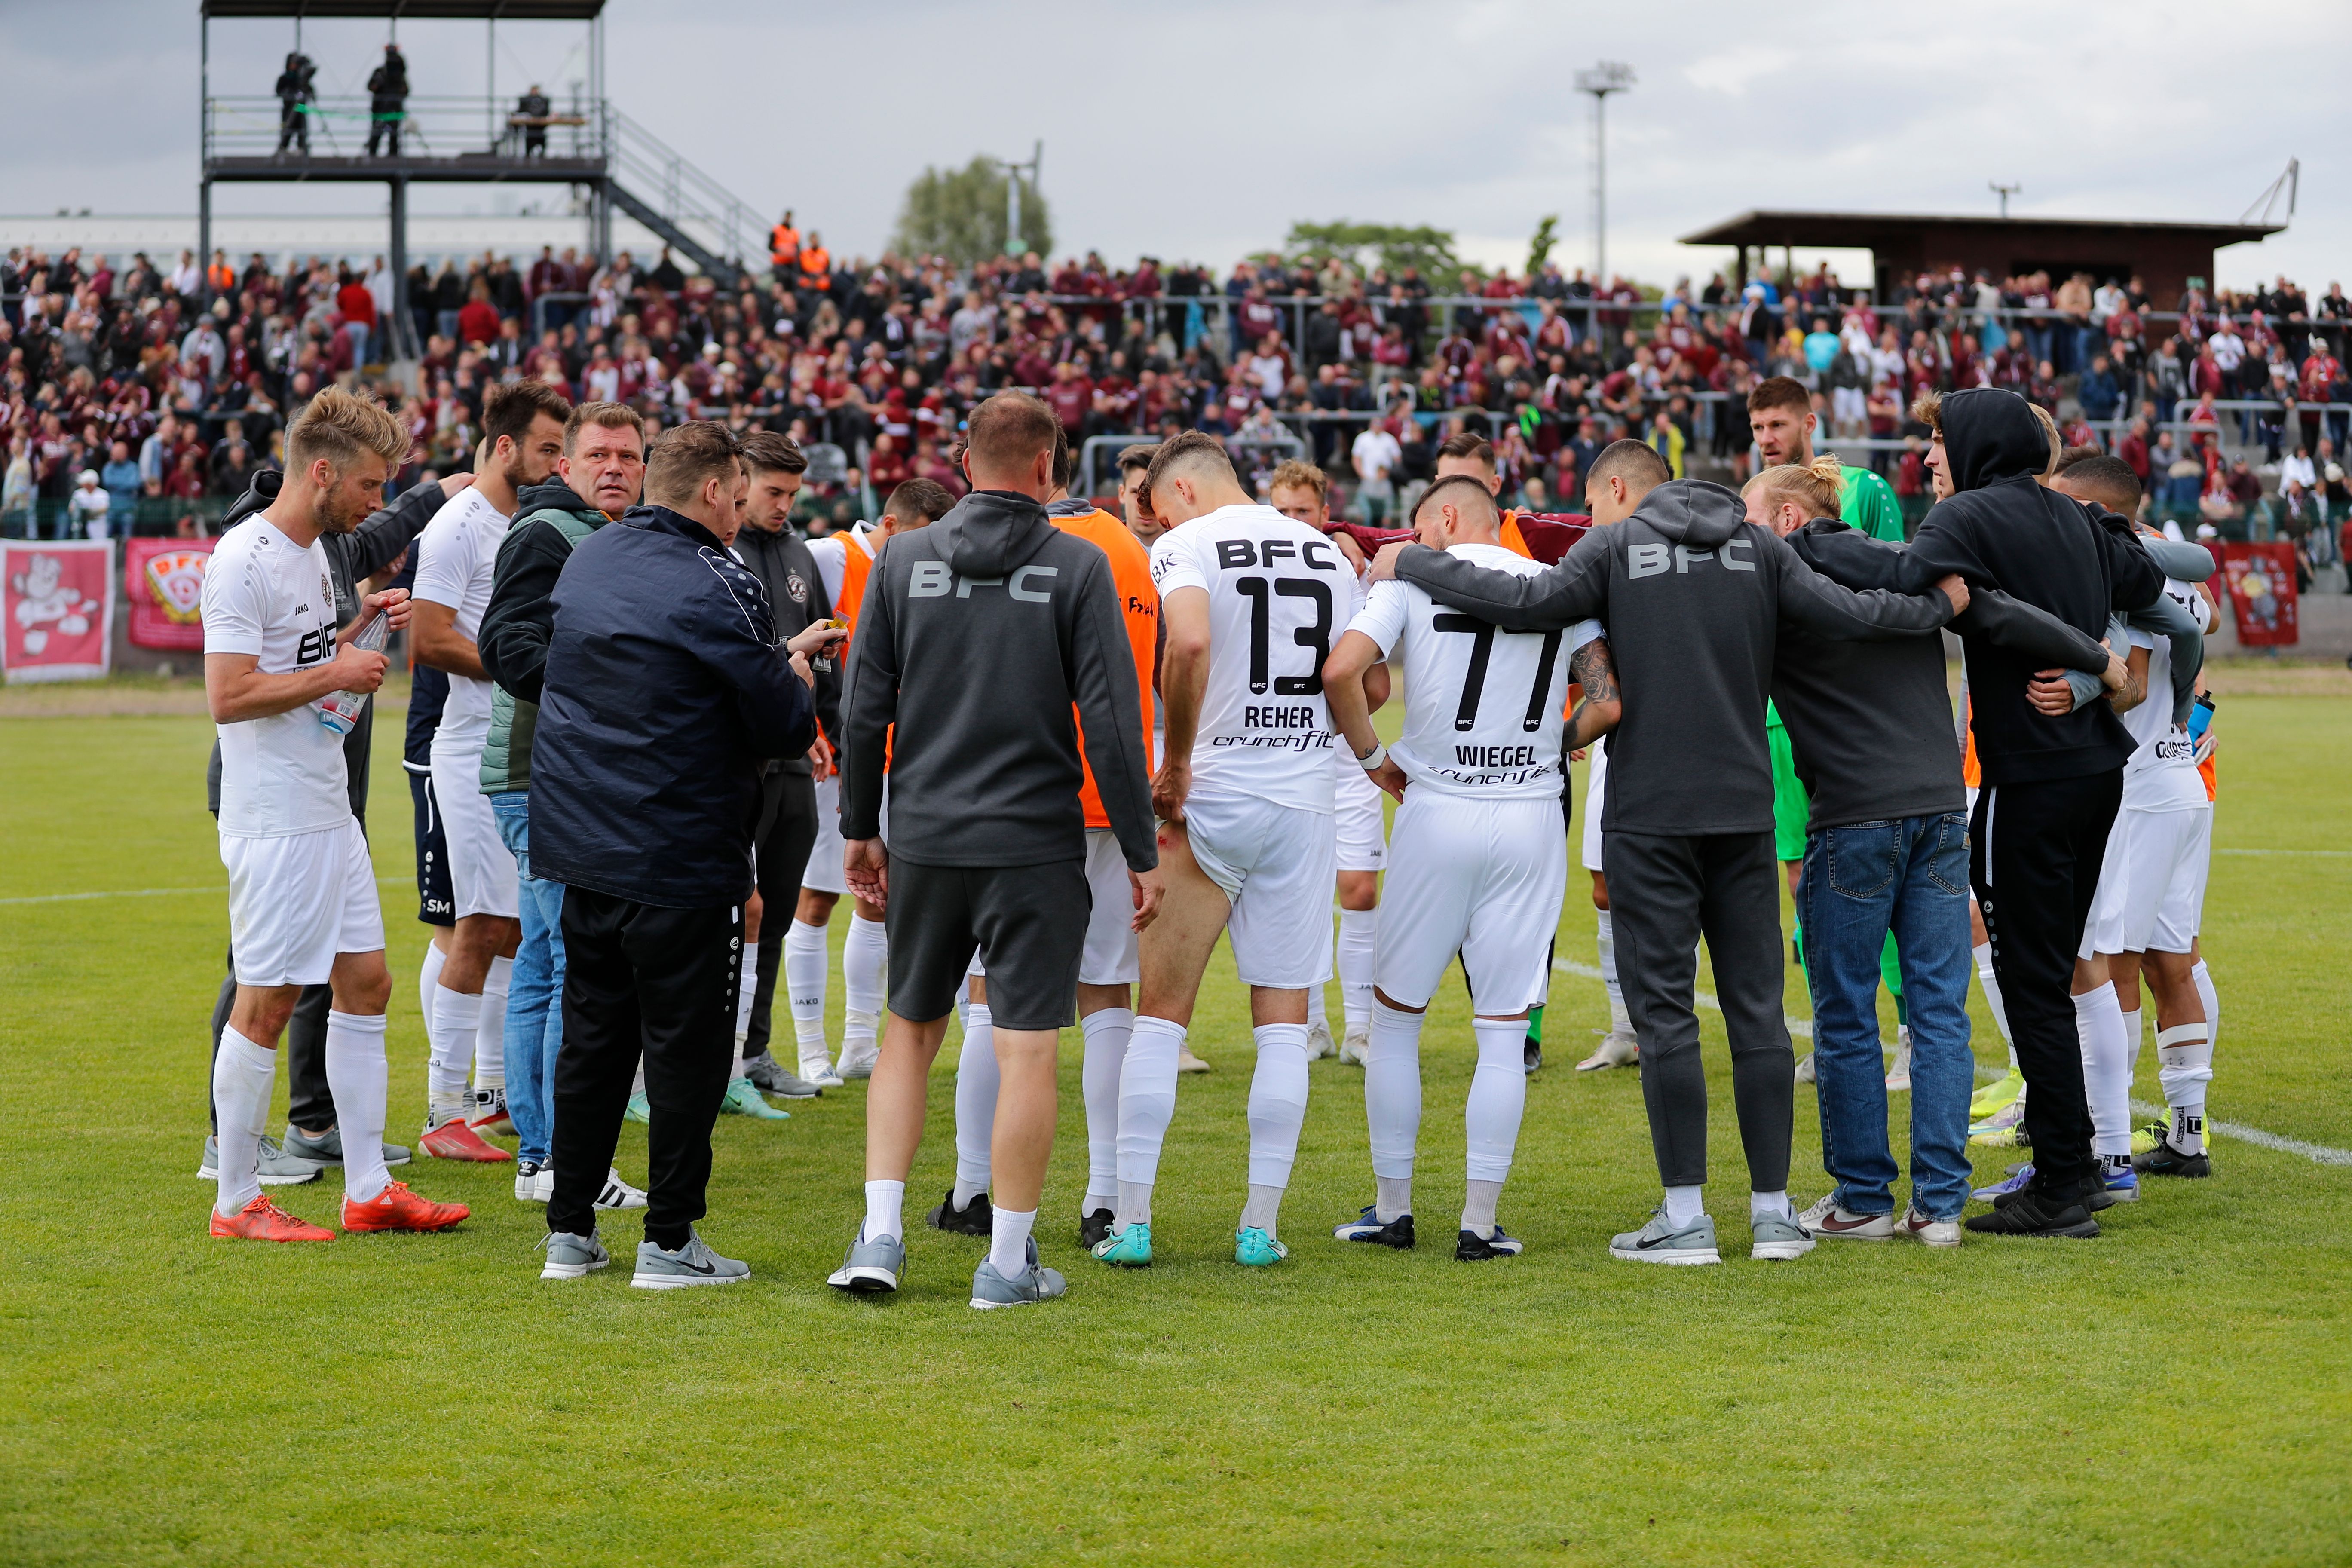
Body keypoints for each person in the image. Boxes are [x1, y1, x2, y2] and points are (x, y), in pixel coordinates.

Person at [1374, 442, 1963, 1266]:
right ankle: (1772, 1216)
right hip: (1742, 811)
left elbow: (1525, 601)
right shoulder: (1758, 547)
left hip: (1650, 816)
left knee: (1665, 1014)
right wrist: (1938, 604)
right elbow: (1854, 614)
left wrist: (1412, 559)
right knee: (1757, 1012)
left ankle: (1685, 1216)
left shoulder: (1614, 547)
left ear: (1620, 491)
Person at [825, 392, 1160, 1309]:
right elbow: (1114, 723)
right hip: (1034, 843)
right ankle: (1007, 1262)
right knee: (1026, 1048)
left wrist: (860, 827)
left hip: (926, 834)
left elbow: (863, 707)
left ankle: (881, 1235)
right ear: (1048, 467)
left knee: (909, 1032)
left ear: (965, 464)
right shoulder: (1079, 563)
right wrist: (1141, 850)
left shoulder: (901, 558)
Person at [1742, 458, 2119, 1246]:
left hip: (1853, 814)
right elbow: (1995, 611)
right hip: (1943, 810)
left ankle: (1862, 1201)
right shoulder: (1918, 567)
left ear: (1787, 519)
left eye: (1750, 517)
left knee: (1846, 1011)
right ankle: (1941, 1205)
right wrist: (2096, 657)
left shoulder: (1781, 579)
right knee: (1940, 1009)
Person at [531, 422, 840, 1289]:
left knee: (593, 1041)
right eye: (739, 497)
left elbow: (646, 676)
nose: (742, 514)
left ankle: (570, 1231)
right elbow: (779, 723)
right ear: (713, 491)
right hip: (677, 849)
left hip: (584, 840)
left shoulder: (593, 557)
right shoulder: (722, 576)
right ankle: (669, 1240)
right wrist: (795, 676)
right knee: (687, 1048)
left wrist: (768, 668)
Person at [1322, 476, 1617, 1260]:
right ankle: (1479, 1224)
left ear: (1445, 518)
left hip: (1437, 810)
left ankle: (1394, 1211)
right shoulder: (1559, 587)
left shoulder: (1407, 579)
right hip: (1528, 815)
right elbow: (1606, 702)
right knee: (1503, 1031)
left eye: (1419, 527)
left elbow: (1340, 672)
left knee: (1396, 1021)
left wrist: (1374, 760)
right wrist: (1549, 745)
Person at [1892, 387, 2163, 1238]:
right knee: (2054, 973)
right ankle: (2073, 1166)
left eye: (1939, 440)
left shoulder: (1967, 515)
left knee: (2031, 982)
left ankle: (2062, 1187)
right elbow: (2147, 578)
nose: (1929, 457)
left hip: (2029, 777)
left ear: (1975, 444)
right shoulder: (2073, 515)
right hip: (2098, 772)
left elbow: (1908, 579)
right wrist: (2104, 537)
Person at [199, 387, 469, 1242]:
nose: (376, 504)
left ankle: (368, 1188)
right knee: (268, 1000)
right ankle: (236, 1201)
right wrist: (336, 673)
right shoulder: (243, 558)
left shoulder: (317, 555)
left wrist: (357, 632)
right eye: (371, 486)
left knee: (366, 982)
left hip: (326, 806)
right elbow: (230, 695)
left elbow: (303, 660)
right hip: (277, 816)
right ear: (322, 472)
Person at [1098, 430, 1353, 1272]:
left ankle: (1133, 1221)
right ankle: (1258, 1225)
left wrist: (1175, 762)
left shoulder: (1187, 544)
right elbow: (1365, 680)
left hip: (1211, 794)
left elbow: (1189, 642)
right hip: (1303, 799)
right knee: (1282, 1023)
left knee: (1161, 1013)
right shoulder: (1325, 551)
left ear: (1181, 491)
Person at [476, 401, 653, 1210]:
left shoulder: (600, 532)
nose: (614, 467)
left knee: (545, 962)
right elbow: (505, 644)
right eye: (599, 455)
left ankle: (542, 1155)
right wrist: (603, 698)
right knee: (575, 967)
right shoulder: (547, 533)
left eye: (628, 455)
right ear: (566, 465)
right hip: (544, 776)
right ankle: (560, 1157)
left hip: (553, 775)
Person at [2045, 455, 2220, 1186]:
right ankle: (2186, 1135)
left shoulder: (2127, 567)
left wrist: (2076, 692)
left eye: (2063, 503)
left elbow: (2134, 681)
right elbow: (2205, 637)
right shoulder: (2173, 563)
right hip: (2182, 780)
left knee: (2106, 964)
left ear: (2096, 509)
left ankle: (2106, 1147)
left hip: (2138, 788)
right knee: (2172, 959)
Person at [410, 381, 571, 1160]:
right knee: (477, 926)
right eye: (548, 448)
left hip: (521, 746)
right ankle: (442, 1113)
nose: (559, 462)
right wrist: (530, 669)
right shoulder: (456, 525)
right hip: (473, 745)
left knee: (514, 927)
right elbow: (429, 639)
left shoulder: (529, 523)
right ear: (504, 447)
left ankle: (491, 1097)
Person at [1747, 374, 1911, 1083]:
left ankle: (1907, 1027)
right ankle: (1836, 1027)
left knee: (1872, 873)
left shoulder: (1865, 489)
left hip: (1844, 710)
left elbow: (1893, 583)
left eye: (1778, 425)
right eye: (1758, 428)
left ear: (1809, 423)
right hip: (1776, 716)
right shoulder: (1756, 498)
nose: (1767, 438)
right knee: (1801, 878)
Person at [787, 479, 957, 1086]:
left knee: (877, 900)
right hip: (832, 757)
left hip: (893, 758)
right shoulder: (830, 556)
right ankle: (810, 1047)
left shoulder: (925, 573)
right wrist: (807, 725)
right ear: (889, 526)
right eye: (923, 537)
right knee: (815, 900)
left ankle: (859, 1041)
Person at [728, 431, 842, 1106]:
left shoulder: (799, 553)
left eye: (793, 495)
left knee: (774, 911)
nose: (784, 506)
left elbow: (821, 653)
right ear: (740, 482)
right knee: (729, 912)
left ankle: (754, 1052)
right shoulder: (717, 551)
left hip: (795, 757)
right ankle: (708, 1059)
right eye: (774, 492)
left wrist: (825, 729)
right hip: (738, 759)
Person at [1268, 460, 1383, 1066]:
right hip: (1284, 748)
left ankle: (1361, 1028)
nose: (1293, 521)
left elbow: (1375, 679)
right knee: (1301, 888)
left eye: (1303, 511)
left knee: (1358, 888)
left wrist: (1349, 540)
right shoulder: (1254, 568)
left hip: (1343, 745)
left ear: (1325, 512)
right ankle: (1313, 1023)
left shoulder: (1345, 567)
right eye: (1282, 511)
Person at [365, 43, 409, 159]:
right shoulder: (379, 72)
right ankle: (372, 156)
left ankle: (393, 156)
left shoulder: (400, 76)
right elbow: (370, 87)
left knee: (394, 134)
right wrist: (379, 84)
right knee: (377, 132)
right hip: (380, 108)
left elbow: (406, 91)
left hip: (394, 109)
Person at [274, 51, 315, 157]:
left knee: (301, 128)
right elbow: (278, 91)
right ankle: (283, 148)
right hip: (289, 108)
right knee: (288, 129)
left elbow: (311, 93)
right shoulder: (285, 78)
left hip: (300, 108)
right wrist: (288, 93)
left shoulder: (301, 79)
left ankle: (302, 147)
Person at [516, 84, 551, 158]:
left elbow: (546, 112)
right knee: (530, 138)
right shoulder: (526, 100)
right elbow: (520, 111)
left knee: (541, 137)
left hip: (540, 127)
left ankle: (542, 154)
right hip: (530, 127)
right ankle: (528, 154)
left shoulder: (543, 100)